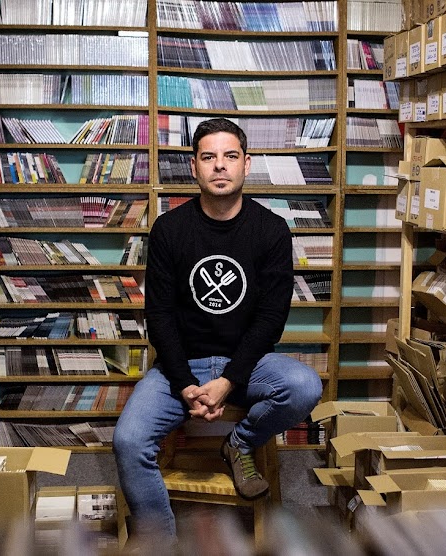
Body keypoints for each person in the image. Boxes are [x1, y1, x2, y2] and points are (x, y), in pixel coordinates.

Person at [112, 118, 323, 539]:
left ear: (247, 164)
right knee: (128, 441)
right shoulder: (169, 229)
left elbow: (270, 320)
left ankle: (239, 444)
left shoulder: (271, 230)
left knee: (304, 386)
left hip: (247, 365)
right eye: (209, 157)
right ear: (194, 167)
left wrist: (228, 381)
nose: (220, 165)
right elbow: (159, 316)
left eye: (230, 156)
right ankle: (161, 544)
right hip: (179, 369)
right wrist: (186, 384)